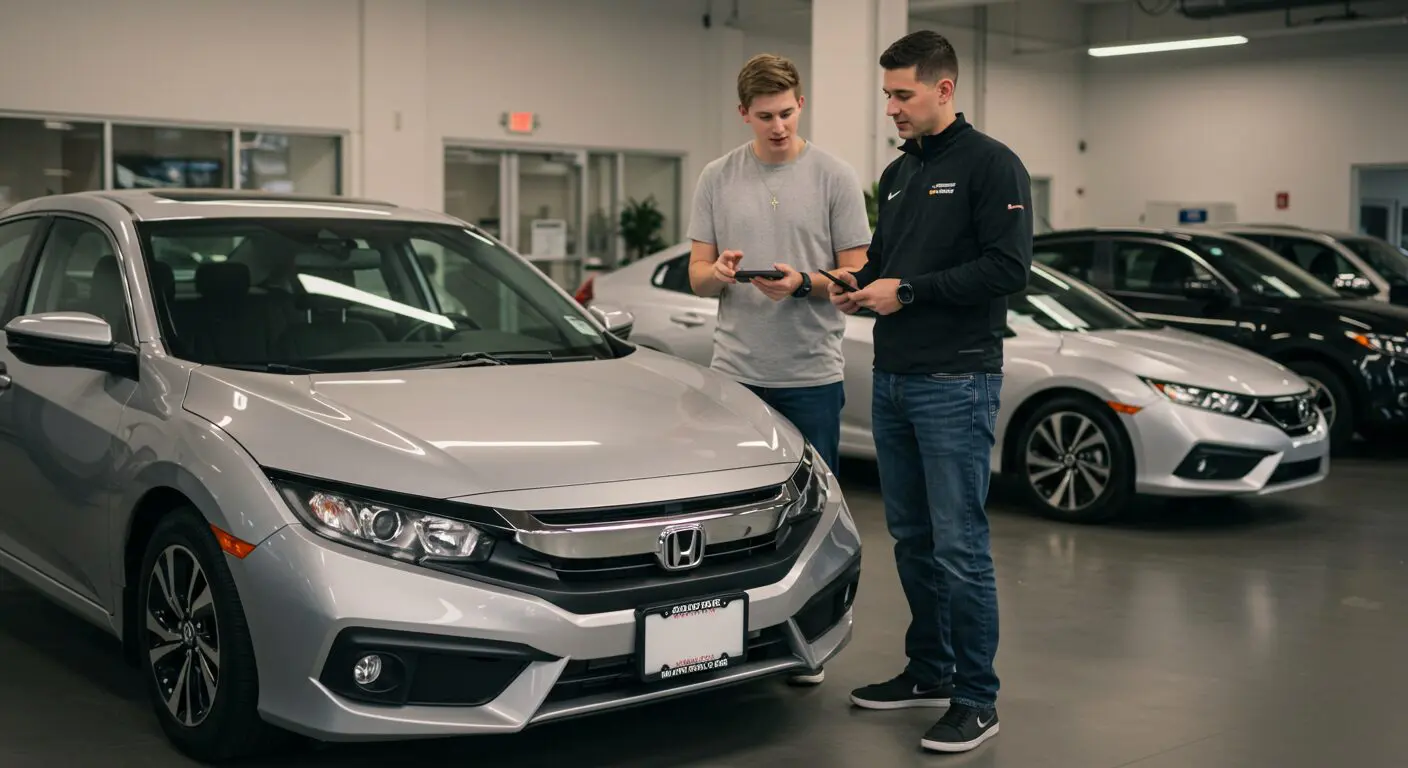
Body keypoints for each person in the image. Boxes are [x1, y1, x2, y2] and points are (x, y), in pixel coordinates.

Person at [827, 30, 1032, 753]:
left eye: (903, 94)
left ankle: (978, 697)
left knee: (960, 546)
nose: (893, 108)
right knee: (912, 539)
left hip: (957, 381)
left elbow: (1008, 269)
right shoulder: (897, 175)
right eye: (887, 95)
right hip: (894, 380)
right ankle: (929, 670)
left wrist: (906, 290)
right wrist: (849, 285)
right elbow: (885, 262)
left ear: (944, 89)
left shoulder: (992, 166)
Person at [686, 52, 872, 686]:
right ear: (744, 114)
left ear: (801, 105)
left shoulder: (834, 176)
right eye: (765, 116)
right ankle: (732, 636)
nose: (778, 126)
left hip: (811, 374)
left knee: (811, 518)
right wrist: (723, 274)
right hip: (735, 373)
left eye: (787, 113)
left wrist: (802, 285)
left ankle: (807, 638)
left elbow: (857, 272)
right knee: (732, 519)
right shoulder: (716, 176)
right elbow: (698, 274)